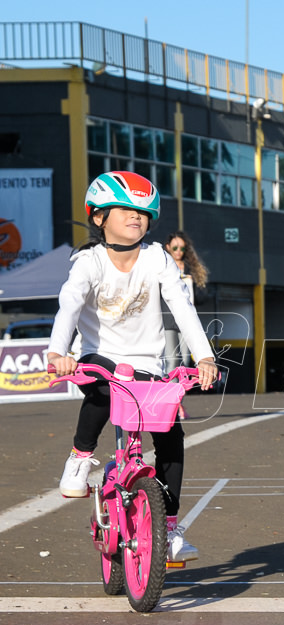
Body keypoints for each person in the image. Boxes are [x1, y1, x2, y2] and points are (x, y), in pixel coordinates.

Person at [46, 171, 218, 562]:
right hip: (99, 356)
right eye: (124, 210)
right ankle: (79, 457)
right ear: (99, 217)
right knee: (105, 392)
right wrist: (59, 352)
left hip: (147, 363)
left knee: (171, 433)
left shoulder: (157, 257)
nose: (135, 217)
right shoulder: (88, 261)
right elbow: (69, 304)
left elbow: (181, 307)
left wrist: (204, 356)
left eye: (142, 212)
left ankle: (170, 528)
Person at [163, 230, 209, 418]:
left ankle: (179, 402)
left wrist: (193, 283)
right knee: (172, 361)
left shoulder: (191, 270)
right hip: (167, 319)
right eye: (175, 247)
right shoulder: (163, 267)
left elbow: (203, 297)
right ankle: (171, 405)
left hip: (187, 321)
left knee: (186, 360)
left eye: (182, 248)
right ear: (168, 248)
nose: (178, 251)